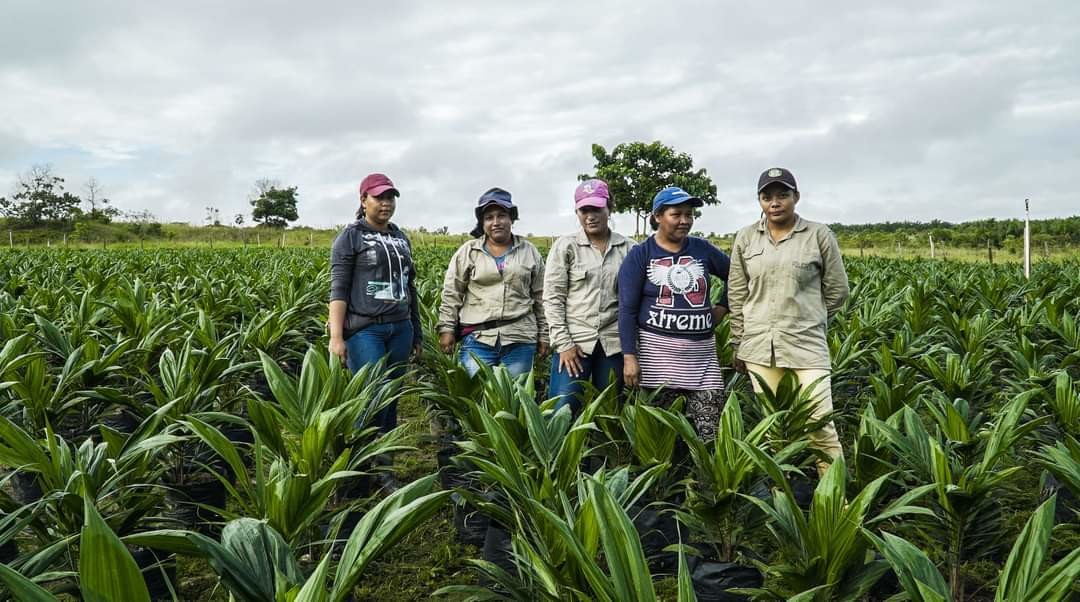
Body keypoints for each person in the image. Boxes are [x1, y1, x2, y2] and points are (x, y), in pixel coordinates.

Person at [727, 167, 849, 476]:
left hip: (806, 345)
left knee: (819, 421)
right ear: (760, 201)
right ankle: (783, 493)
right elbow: (737, 292)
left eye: (783, 195)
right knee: (774, 426)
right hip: (759, 347)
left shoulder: (818, 234)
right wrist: (738, 342)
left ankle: (835, 497)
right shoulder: (746, 237)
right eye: (767, 196)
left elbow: (837, 290)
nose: (775, 202)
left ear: (796, 197)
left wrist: (811, 318)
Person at [328, 173, 421, 492]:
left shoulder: (400, 237)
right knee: (369, 398)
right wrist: (336, 337)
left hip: (400, 328)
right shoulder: (350, 237)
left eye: (390, 197)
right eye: (379, 197)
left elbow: (410, 288)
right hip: (365, 330)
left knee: (391, 399)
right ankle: (356, 468)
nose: (386, 202)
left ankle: (384, 469)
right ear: (363, 200)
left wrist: (417, 333)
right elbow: (338, 288)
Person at [618, 186, 730, 441]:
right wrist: (629, 357)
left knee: (710, 435)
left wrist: (721, 309)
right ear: (658, 216)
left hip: (702, 362)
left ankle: (705, 480)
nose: (685, 221)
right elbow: (627, 309)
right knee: (661, 438)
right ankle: (670, 480)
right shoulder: (640, 255)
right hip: (657, 361)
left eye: (689, 214)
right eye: (676, 214)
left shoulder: (702, 249)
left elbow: (736, 277)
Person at [543, 179, 633, 414]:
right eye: (584, 210)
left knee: (609, 412)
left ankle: (600, 453)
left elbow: (635, 301)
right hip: (575, 343)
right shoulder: (566, 246)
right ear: (577, 212)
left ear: (609, 208)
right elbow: (553, 298)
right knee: (562, 411)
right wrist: (563, 344)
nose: (590, 216)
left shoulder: (629, 248)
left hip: (613, 344)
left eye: (597, 209)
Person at [438, 187, 548, 377]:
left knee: (513, 398)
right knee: (478, 398)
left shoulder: (529, 251)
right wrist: (447, 328)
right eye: (489, 217)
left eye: (501, 215)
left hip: (520, 337)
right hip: (478, 338)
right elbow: (452, 293)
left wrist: (545, 335)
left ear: (511, 218)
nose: (496, 222)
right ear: (482, 222)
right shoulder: (469, 251)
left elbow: (541, 296)